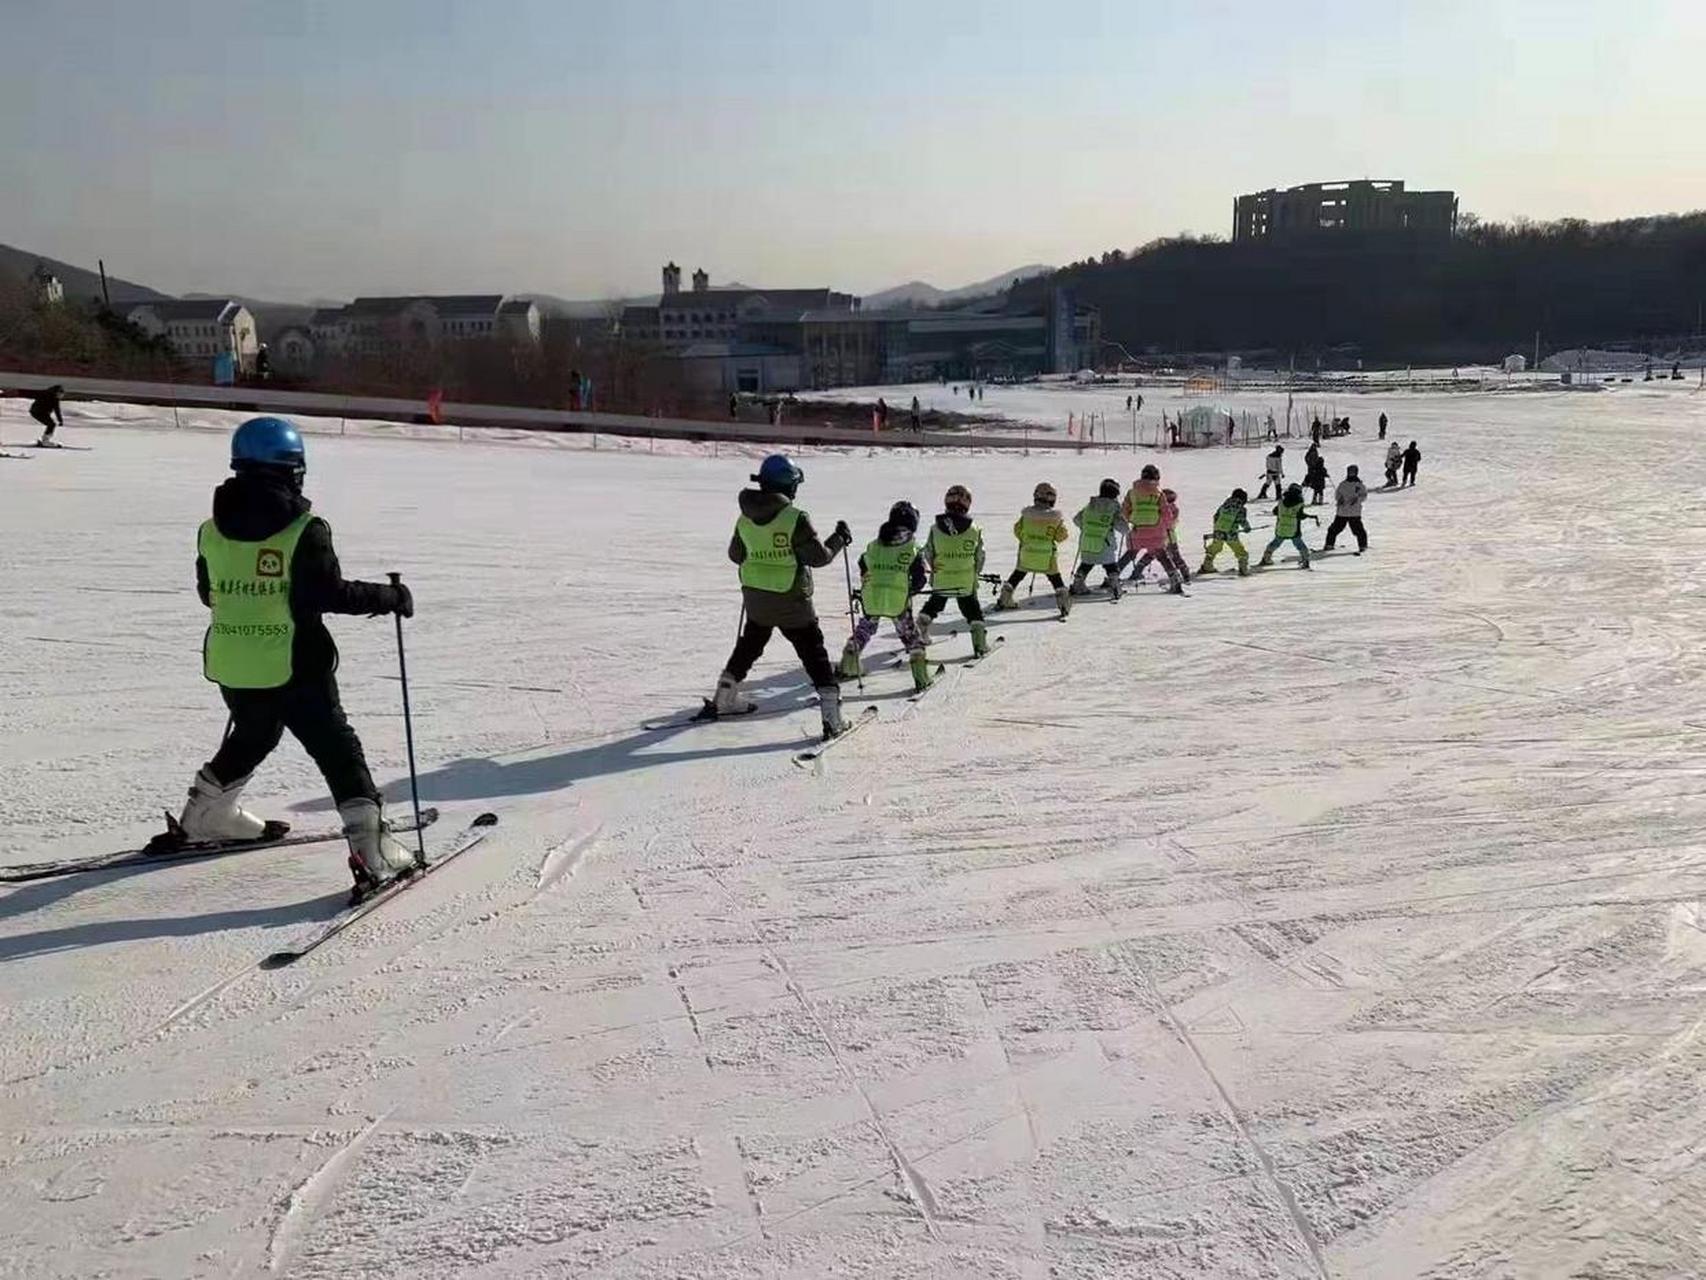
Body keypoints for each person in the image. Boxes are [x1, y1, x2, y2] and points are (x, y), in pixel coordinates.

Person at [165, 417, 418, 895]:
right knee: (337, 748)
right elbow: (329, 593)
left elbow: (209, 593)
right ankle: (372, 849)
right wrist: (390, 597)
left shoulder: (210, 531)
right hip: (295, 663)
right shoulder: (304, 529)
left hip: (233, 661)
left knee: (255, 732)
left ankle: (206, 815)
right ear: (291, 469)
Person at [712, 454, 852, 739]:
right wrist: (839, 538)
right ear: (789, 487)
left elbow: (735, 555)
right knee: (813, 652)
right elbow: (819, 558)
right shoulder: (795, 518)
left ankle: (725, 695)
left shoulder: (745, 517)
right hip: (791, 601)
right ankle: (832, 716)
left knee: (750, 644)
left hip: (756, 598)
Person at [839, 501, 933, 693]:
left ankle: (850, 656)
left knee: (866, 627)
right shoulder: (913, 548)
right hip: (898, 599)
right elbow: (920, 577)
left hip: (872, 595)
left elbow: (862, 562)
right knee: (909, 635)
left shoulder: (875, 544)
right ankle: (920, 674)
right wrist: (911, 589)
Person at [917, 484, 989, 658]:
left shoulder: (935, 529)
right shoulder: (974, 530)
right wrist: (974, 573)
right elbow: (980, 556)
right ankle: (979, 643)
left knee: (935, 603)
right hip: (965, 581)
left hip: (942, 579)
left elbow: (927, 552)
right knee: (972, 609)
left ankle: (922, 628)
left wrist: (933, 567)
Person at [994, 482, 1071, 618]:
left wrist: (1027, 539)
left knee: (1018, 574)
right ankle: (1063, 603)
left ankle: (1005, 597)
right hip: (1047, 557)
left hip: (1027, 552)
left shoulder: (1026, 515)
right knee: (1055, 578)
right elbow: (1061, 536)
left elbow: (1017, 530)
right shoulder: (1055, 518)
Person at [1119, 464, 1183, 594]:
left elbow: (1124, 511)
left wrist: (1130, 520)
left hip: (1137, 530)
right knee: (1162, 556)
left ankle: (1112, 578)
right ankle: (1174, 579)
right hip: (1156, 531)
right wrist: (1169, 527)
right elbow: (1165, 512)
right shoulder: (1159, 493)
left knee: (1130, 554)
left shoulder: (1132, 493)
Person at [1069, 478, 1129, 598]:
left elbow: (1077, 519)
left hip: (1087, 541)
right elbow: (1122, 527)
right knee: (1110, 565)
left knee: (1086, 564)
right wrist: (1127, 528)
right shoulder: (1114, 508)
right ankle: (1115, 585)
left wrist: (1087, 527)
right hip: (1105, 543)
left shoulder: (1090, 505)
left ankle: (1078, 583)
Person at [1129, 486, 1191, 587]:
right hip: (1169, 536)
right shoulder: (1173, 509)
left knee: (1150, 555)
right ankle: (1185, 574)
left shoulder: (1163, 509)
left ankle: (1136, 573)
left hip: (1161, 536)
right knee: (1175, 556)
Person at [1257, 484, 1317, 570]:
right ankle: (1305, 560)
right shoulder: (1299, 504)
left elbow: (1275, 512)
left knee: (1275, 543)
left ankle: (1266, 558)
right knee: (1300, 545)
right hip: (1294, 530)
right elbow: (1300, 516)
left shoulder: (1281, 502)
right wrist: (1308, 516)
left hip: (1281, 528)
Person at [1199, 488, 1253, 576]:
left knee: (1215, 548)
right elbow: (1241, 520)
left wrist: (1217, 528)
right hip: (1231, 534)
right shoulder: (1241, 508)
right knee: (1240, 551)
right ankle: (1243, 569)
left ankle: (1207, 565)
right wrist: (1247, 528)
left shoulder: (1225, 505)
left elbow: (1216, 516)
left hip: (1218, 531)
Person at [1323, 465, 1369, 554]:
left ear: (1356, 472)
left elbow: (1364, 496)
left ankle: (1363, 546)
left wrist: (1357, 499)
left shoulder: (1359, 485)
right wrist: (1339, 499)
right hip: (1342, 512)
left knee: (1358, 530)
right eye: (1350, 471)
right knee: (1334, 529)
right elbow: (1337, 494)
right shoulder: (1343, 484)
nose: (1351, 473)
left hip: (1354, 512)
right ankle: (1329, 544)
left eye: (1353, 472)